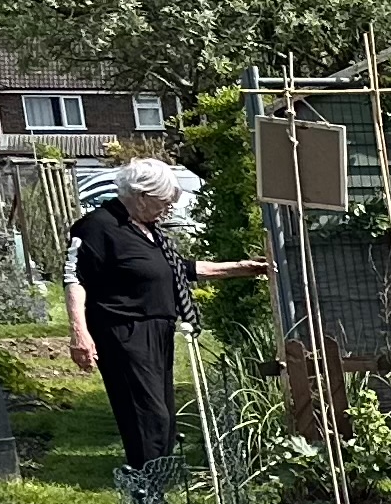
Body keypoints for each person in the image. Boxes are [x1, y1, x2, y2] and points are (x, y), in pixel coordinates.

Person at [64, 159, 258, 475]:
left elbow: (177, 270)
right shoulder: (98, 227)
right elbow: (75, 278)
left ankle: (156, 490)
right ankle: (149, 495)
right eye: (164, 202)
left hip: (157, 331)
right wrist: (79, 333)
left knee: (164, 414)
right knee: (147, 415)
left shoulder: (146, 229)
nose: (168, 209)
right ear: (141, 195)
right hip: (123, 332)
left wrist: (239, 268)